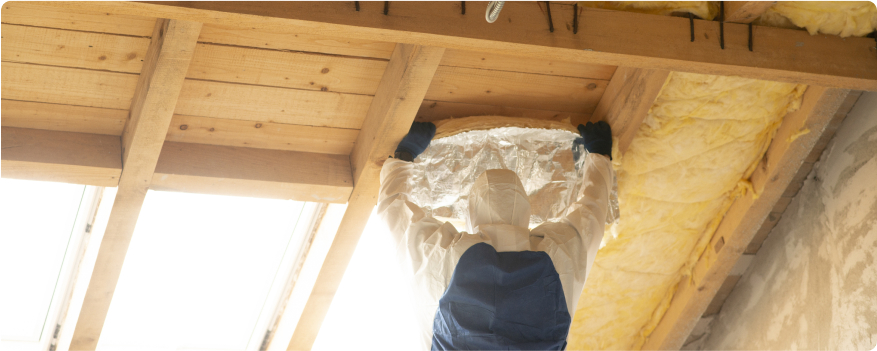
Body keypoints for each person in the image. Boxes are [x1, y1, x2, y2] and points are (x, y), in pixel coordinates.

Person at [378, 121, 615, 350]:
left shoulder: (557, 254)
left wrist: (600, 156)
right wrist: (404, 155)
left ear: (472, 212)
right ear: (525, 210)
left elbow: (591, 217)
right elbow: (394, 214)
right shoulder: (445, 257)